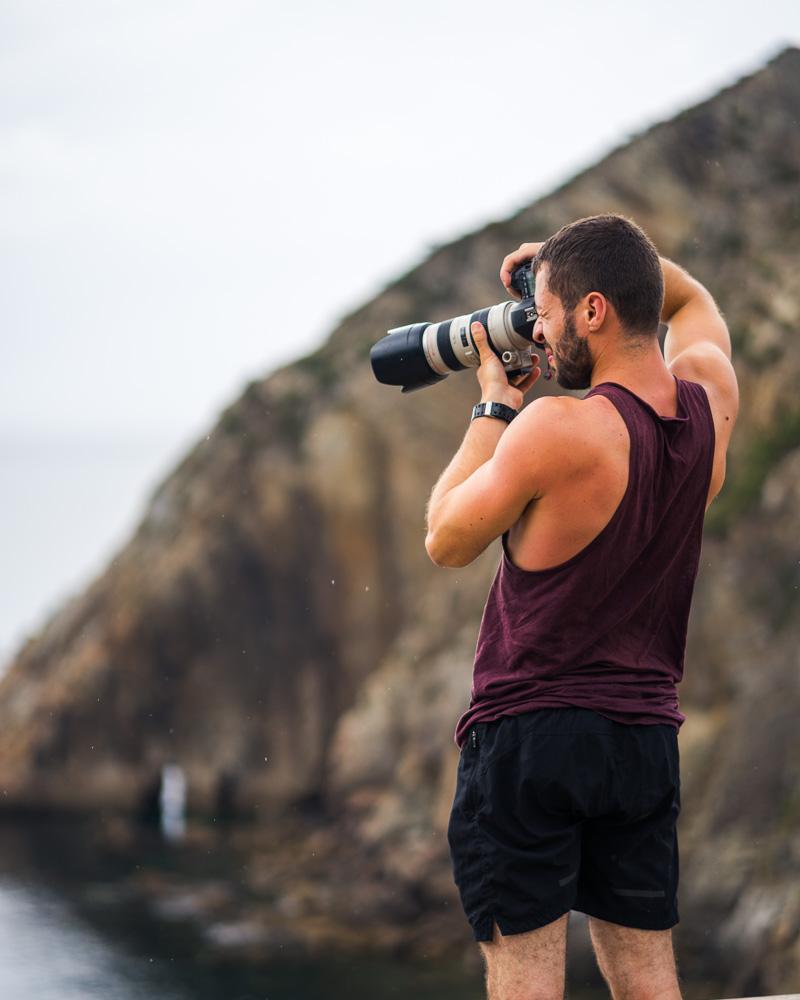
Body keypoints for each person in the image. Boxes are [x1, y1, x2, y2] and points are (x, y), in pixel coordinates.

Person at [424, 214, 739, 1000]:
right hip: (642, 736)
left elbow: (445, 539)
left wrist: (492, 408)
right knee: (646, 977)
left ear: (594, 312)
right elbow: (689, 294)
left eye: (551, 309)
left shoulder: (556, 428)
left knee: (527, 981)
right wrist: (579, 264)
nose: (541, 328)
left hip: (532, 736)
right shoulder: (709, 401)